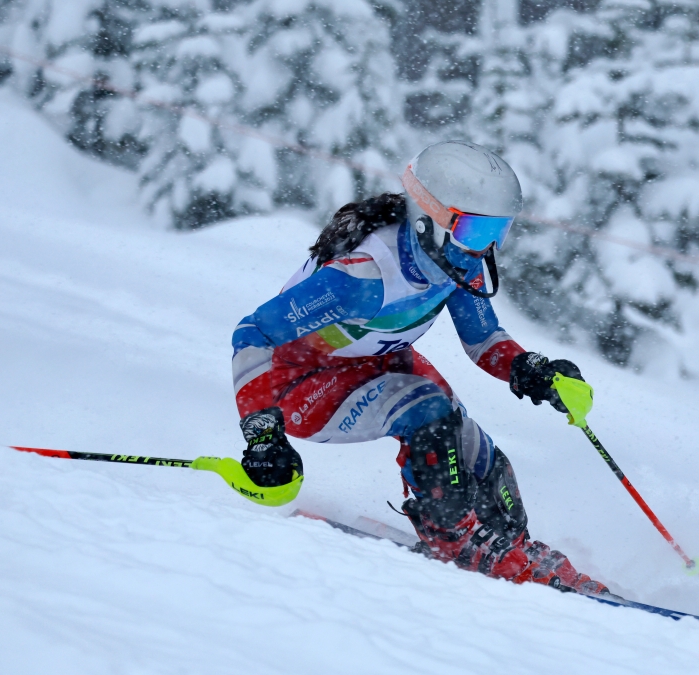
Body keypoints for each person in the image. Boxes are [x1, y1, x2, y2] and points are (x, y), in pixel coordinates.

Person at [230, 140, 607, 594]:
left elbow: (483, 339)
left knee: (479, 455)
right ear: (431, 217)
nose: (484, 249)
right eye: (473, 232)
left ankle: (508, 541)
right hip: (303, 382)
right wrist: (263, 435)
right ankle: (453, 536)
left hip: (378, 362)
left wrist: (531, 370)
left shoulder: (455, 260)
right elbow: (253, 332)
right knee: (428, 411)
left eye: (497, 234)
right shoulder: (363, 276)